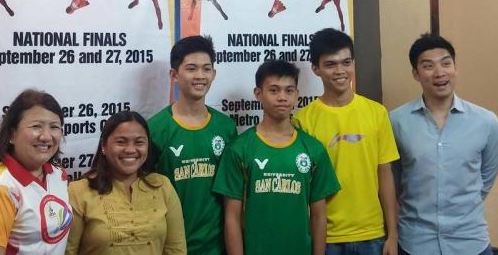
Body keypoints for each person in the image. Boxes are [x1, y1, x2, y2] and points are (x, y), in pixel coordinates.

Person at [390, 33, 498, 255]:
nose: (439, 73)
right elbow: (393, 179)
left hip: (470, 241)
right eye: (428, 66)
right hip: (415, 242)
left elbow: (486, 177)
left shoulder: (486, 121)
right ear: (416, 73)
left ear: (455, 67)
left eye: (446, 63)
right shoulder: (396, 121)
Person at [213, 60, 340, 255]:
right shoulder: (239, 149)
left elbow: (319, 216)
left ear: (297, 95)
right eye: (274, 90)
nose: (282, 97)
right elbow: (232, 216)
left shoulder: (313, 150)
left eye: (289, 91)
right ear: (258, 94)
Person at [293, 28, 400, 255]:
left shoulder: (377, 113)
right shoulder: (302, 120)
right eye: (331, 64)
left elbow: (385, 175)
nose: (340, 71)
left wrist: (392, 234)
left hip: (373, 235)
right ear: (316, 69)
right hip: (325, 237)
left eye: (346, 62)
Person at [148, 36, 237, 255]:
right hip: (171, 247)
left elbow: (233, 195)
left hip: (217, 248)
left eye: (207, 69)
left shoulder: (225, 127)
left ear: (214, 74)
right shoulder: (155, 129)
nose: (200, 76)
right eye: (191, 68)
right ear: (174, 75)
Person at [0, 89, 71, 255]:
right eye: (37, 126)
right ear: (11, 135)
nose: (46, 136)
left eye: (54, 127)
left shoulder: (59, 175)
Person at [66, 111, 186, 255]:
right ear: (104, 145)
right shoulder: (78, 191)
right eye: (121, 142)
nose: (130, 149)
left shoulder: (163, 187)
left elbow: (176, 250)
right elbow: (68, 251)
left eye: (139, 142)